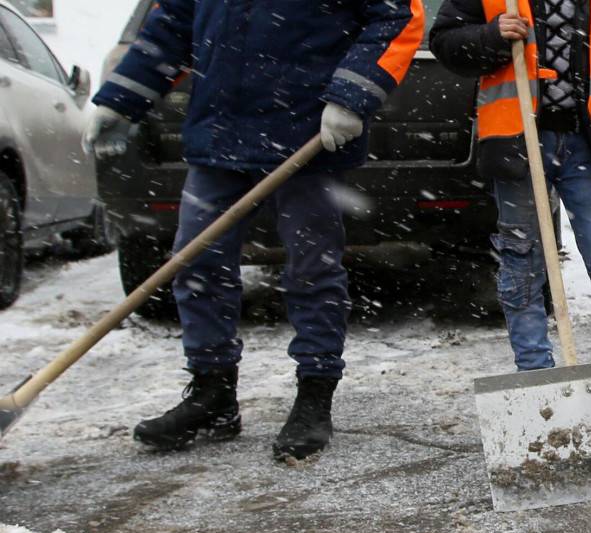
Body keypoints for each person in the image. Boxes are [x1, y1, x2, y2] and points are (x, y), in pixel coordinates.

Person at [83, 1, 425, 460]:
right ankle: (212, 394)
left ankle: (313, 396)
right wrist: (119, 100)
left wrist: (352, 96)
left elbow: (399, 16)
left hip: (308, 135)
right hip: (218, 134)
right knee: (195, 262)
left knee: (311, 269)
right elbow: (170, 26)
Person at [429, 0, 591, 371]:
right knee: (522, 262)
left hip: (590, 145)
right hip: (516, 139)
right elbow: (445, 42)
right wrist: (492, 36)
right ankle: (535, 376)